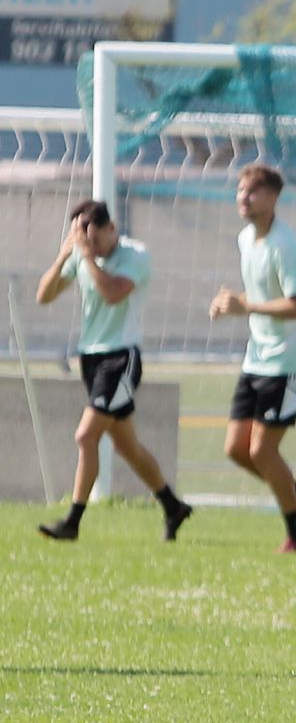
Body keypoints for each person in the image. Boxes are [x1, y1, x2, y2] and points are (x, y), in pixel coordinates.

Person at [36, 199, 191, 541]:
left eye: (94, 237)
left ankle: (73, 522)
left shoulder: (134, 255)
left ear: (111, 228)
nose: (90, 245)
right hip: (91, 359)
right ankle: (172, 506)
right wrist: (65, 254)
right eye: (83, 237)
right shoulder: (81, 255)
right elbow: (44, 296)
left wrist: (86, 257)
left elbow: (112, 294)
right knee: (126, 446)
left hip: (120, 359)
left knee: (85, 435)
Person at [209, 163, 296, 552]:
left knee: (262, 450)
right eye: (240, 190)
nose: (243, 198)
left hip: (287, 363)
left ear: (273, 198)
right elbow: (257, 299)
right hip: (257, 358)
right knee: (237, 450)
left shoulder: (285, 245)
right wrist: (235, 303)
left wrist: (244, 306)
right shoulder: (247, 238)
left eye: (252, 192)